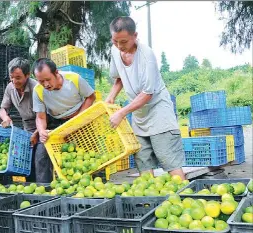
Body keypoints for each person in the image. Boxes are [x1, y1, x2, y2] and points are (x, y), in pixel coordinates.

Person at [106, 16, 186, 180]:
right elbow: (119, 77)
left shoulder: (146, 56)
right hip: (139, 114)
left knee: (169, 160)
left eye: (124, 42)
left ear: (135, 36)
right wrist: (111, 97)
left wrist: (121, 113)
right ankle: (150, 202)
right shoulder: (115, 51)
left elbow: (147, 94)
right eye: (115, 41)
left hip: (158, 113)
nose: (120, 46)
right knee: (143, 162)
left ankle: (184, 196)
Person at [32, 58, 96, 182]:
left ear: (56, 72)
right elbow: (40, 117)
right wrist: (41, 131)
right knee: (42, 153)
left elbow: (91, 96)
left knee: (87, 153)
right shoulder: (38, 91)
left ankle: (92, 185)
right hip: (55, 121)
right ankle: (44, 191)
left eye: (48, 79)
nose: (45, 84)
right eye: (41, 81)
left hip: (79, 117)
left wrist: (79, 119)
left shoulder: (74, 79)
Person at [0, 57, 39, 181]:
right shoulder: (10, 88)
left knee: (40, 159)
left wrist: (38, 132)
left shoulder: (37, 88)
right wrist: (5, 117)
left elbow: (45, 116)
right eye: (11, 77)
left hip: (44, 125)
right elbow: (2, 109)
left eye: (18, 77)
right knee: (27, 161)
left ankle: (45, 190)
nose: (14, 81)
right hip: (27, 127)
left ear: (27, 75)